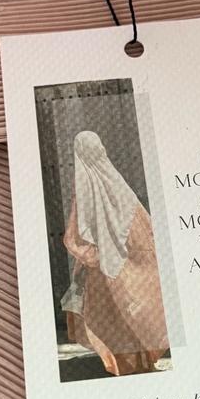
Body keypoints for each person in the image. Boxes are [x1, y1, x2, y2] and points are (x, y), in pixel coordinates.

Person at [61, 131, 170, 376]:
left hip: (102, 270)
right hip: (131, 268)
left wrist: (91, 255)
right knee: (134, 316)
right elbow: (145, 228)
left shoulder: (86, 188)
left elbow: (74, 236)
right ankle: (143, 364)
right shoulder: (118, 183)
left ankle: (125, 368)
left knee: (110, 321)